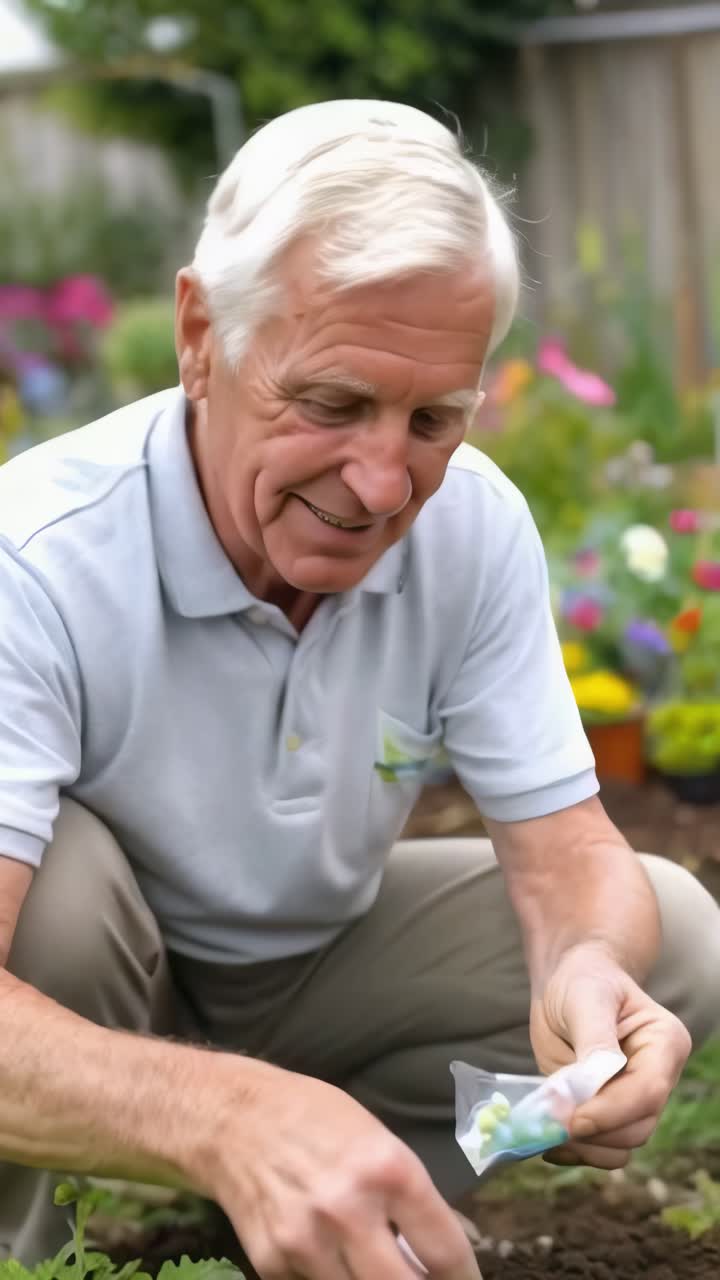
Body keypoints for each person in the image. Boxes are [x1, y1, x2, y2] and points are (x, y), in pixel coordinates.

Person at [0, 99, 717, 1280]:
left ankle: (352, 1215)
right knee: (54, 900)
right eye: (330, 404)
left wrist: (582, 965)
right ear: (199, 334)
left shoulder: (473, 522)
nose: (385, 483)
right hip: (101, 987)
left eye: (434, 418)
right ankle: (40, 1254)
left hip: (310, 969)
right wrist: (225, 1113)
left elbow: (565, 849)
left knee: (667, 931)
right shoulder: (42, 552)